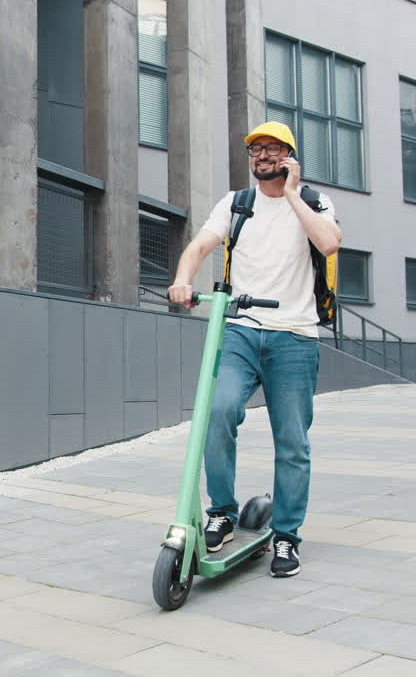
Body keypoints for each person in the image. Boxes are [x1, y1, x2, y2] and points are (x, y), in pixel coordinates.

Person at [168, 121, 341, 578]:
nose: (262, 156)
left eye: (272, 149)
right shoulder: (235, 203)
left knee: (292, 441)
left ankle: (286, 536)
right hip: (242, 331)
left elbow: (329, 243)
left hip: (296, 336)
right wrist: (184, 278)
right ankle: (222, 512)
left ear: (289, 155)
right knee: (218, 410)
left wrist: (292, 193)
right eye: (255, 150)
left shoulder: (314, 202)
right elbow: (201, 244)